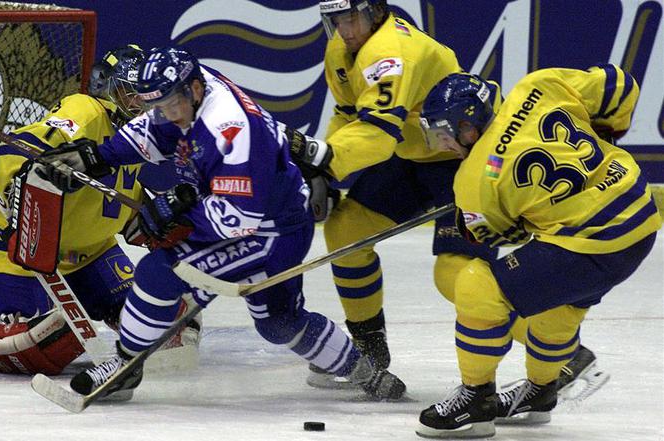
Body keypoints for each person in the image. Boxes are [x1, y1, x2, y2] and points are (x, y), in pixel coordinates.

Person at [37, 45, 408, 401]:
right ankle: (366, 373)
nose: (163, 114)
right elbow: (153, 130)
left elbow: (236, 220)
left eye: (169, 105)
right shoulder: (189, 90)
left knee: (160, 271)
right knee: (279, 321)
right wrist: (97, 156)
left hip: (267, 228)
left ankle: (125, 364)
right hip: (270, 212)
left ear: (195, 90)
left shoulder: (230, 130)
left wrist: (175, 212)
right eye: (157, 106)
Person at [0, 45, 201, 376]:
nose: (140, 104)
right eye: (130, 93)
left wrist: (150, 220)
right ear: (107, 88)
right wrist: (19, 190)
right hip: (24, 249)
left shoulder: (144, 135)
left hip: (93, 252)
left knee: (166, 323)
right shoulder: (86, 111)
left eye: (144, 95)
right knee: (44, 349)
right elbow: (13, 151)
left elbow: (119, 193)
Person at [415, 66, 661, 438]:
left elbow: (504, 234)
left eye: (444, 134)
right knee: (556, 312)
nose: (444, 145)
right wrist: (608, 131)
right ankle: (541, 391)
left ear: (467, 125)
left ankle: (475, 399)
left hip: (589, 243)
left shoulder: (473, 179)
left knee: (477, 286)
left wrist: (470, 223)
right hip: (639, 220)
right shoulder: (539, 86)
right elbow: (620, 84)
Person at [292, 0, 499, 388]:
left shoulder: (388, 51)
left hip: (461, 156)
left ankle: (559, 351)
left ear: (373, 12)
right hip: (413, 150)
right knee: (346, 232)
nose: (344, 29)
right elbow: (350, 114)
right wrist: (325, 165)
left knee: (458, 274)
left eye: (350, 17)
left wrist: (326, 161)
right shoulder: (342, 48)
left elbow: (376, 134)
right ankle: (369, 347)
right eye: (335, 20)